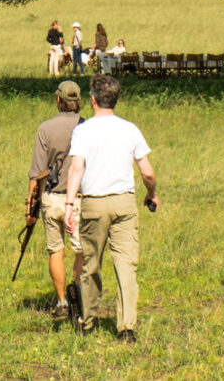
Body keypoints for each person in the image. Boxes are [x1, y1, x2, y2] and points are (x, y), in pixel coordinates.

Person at [64, 74, 158, 343]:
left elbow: (76, 169)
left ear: (92, 100)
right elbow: (147, 172)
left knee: (90, 265)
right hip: (124, 203)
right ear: (115, 99)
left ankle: (88, 319)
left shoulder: (83, 131)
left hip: (93, 203)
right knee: (126, 266)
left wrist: (70, 203)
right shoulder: (130, 129)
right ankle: (126, 327)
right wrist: (151, 193)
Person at [25, 80, 85, 318]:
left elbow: (36, 174)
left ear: (58, 101)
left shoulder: (45, 129)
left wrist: (30, 207)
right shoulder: (86, 126)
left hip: (51, 198)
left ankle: (62, 302)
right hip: (78, 198)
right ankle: (79, 295)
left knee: (55, 250)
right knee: (81, 250)